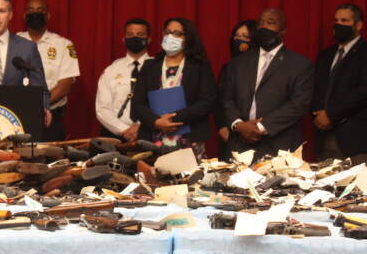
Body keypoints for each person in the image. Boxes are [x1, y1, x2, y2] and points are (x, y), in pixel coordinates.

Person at [221, 8, 314, 160]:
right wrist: (238, 125)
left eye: (271, 23)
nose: (264, 27)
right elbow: (227, 99)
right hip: (240, 144)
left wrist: (261, 127)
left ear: (283, 30)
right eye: (261, 23)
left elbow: (299, 104)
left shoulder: (300, 65)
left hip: (279, 146)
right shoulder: (237, 63)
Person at [132, 18, 217, 158]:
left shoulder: (199, 66)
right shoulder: (149, 66)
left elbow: (207, 101)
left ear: (187, 38)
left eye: (177, 33)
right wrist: (156, 121)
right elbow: (138, 103)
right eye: (168, 32)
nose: (171, 37)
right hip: (153, 136)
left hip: (189, 136)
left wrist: (174, 119)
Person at [311, 4, 367, 163]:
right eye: (336, 20)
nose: (339, 24)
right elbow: (316, 88)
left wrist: (331, 115)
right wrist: (318, 114)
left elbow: (364, 91)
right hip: (325, 137)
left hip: (356, 140)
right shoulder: (325, 55)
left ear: (358, 25)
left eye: (344, 21)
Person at [17, 0, 80, 141]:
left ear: (48, 15)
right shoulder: (13, 42)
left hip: (50, 117)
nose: (35, 14)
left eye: (40, 11)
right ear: (24, 15)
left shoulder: (63, 45)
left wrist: (41, 104)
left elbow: (65, 85)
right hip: (18, 114)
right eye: (31, 10)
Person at [95, 18, 153, 141]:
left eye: (140, 34)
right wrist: (123, 130)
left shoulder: (159, 67)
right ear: (124, 39)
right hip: (115, 135)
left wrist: (141, 129)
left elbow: (163, 106)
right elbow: (102, 109)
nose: (135, 37)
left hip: (150, 134)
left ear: (149, 39)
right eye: (130, 34)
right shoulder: (111, 70)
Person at [217, 19, 258, 155]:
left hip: (259, 130)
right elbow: (221, 99)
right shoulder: (228, 68)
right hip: (232, 130)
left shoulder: (263, 68)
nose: (239, 40)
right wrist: (222, 125)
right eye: (237, 36)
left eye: (245, 37)